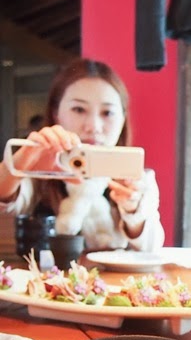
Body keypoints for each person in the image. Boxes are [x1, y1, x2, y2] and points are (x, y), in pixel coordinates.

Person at [0, 57, 165, 252]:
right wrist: (17, 168)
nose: (93, 126)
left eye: (107, 113)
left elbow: (151, 248)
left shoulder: (138, 181)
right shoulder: (37, 172)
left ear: (122, 119)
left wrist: (133, 211)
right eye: (79, 109)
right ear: (56, 114)